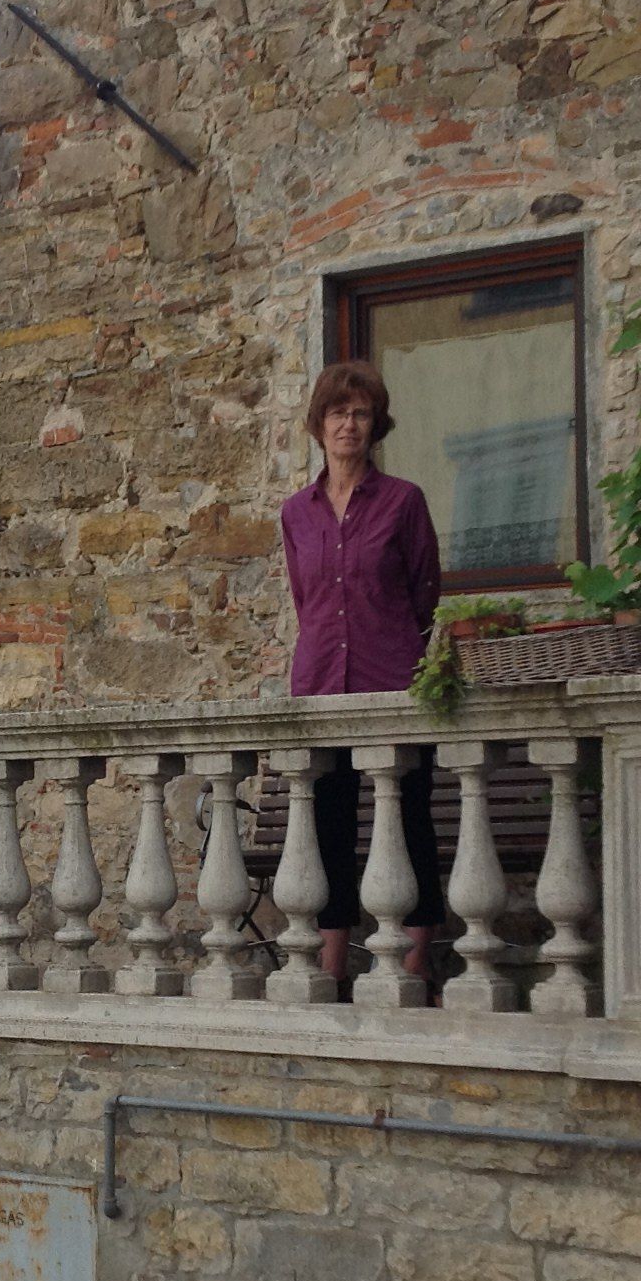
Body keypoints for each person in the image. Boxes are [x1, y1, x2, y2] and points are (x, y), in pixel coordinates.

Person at [277, 360, 446, 985]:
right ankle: (331, 963)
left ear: (376, 425)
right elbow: (306, 597)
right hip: (321, 683)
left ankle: (414, 962)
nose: (348, 424)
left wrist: (393, 645)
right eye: (337, 413)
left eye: (361, 413)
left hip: (392, 681)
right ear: (318, 424)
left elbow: (425, 592)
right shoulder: (296, 513)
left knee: (408, 820)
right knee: (328, 824)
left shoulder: (404, 502)